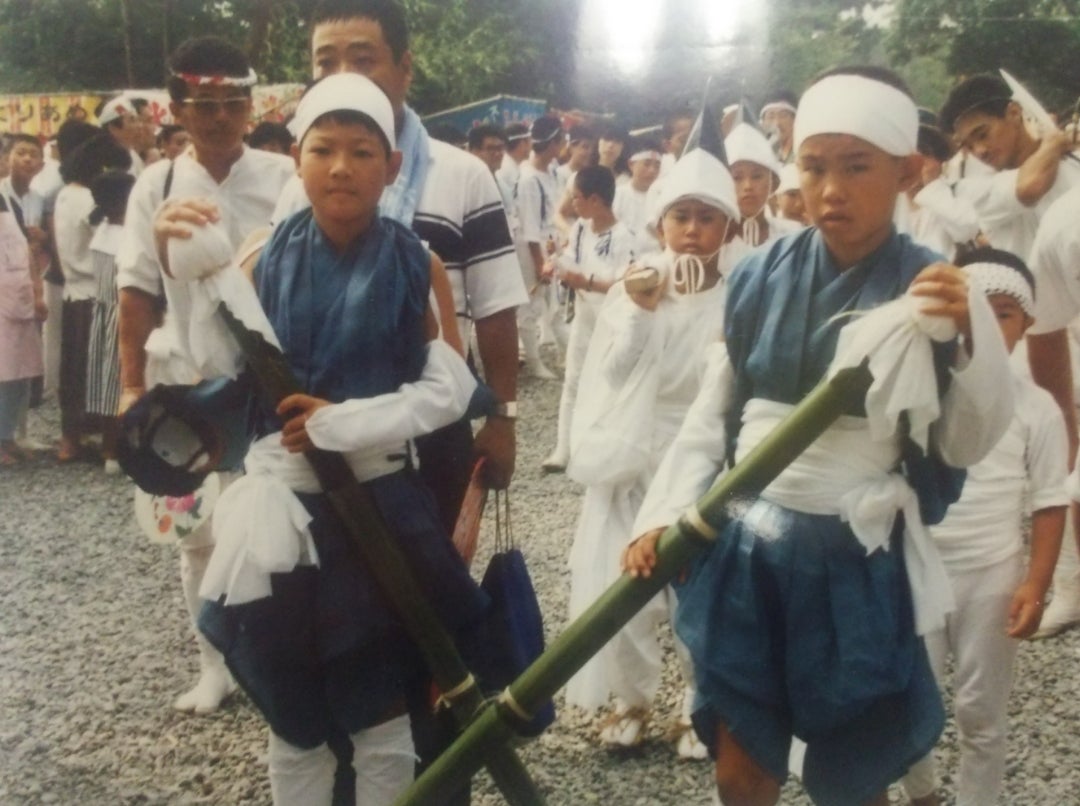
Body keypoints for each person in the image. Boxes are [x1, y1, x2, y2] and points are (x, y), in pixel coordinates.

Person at [625, 67, 1014, 806]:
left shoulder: (935, 285)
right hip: (750, 534)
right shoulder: (758, 276)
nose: (831, 189)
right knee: (742, 768)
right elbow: (717, 413)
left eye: (857, 167)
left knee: (854, 772)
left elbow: (965, 440)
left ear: (907, 171)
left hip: (855, 549)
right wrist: (662, 515)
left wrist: (970, 337)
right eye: (814, 166)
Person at [190, 71, 489, 806]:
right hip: (281, 515)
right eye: (324, 149)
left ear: (391, 165)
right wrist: (192, 273)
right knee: (291, 710)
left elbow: (447, 389)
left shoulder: (415, 261)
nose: (342, 167)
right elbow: (218, 366)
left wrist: (345, 422)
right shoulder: (261, 256)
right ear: (298, 158)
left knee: (379, 698)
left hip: (379, 507)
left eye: (362, 151)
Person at [276, 0, 526, 510]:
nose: (343, 76)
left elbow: (496, 307)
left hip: (431, 421)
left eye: (363, 59)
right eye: (326, 62)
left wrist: (502, 418)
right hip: (314, 427)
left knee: (425, 577)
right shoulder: (299, 187)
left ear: (405, 68)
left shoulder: (462, 174)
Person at [116, 35, 296, 716]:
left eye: (232, 103)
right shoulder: (155, 185)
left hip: (271, 381)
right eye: (205, 105)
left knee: (278, 523)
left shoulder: (283, 177)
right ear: (178, 109)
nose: (219, 117)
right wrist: (131, 387)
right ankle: (213, 665)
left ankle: (277, 656)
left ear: (250, 106)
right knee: (195, 537)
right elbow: (135, 293)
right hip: (188, 384)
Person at [566, 137, 741, 762]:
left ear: (728, 224)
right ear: (661, 221)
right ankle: (632, 700)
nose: (692, 231)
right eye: (681, 216)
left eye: (707, 218)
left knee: (700, 587)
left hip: (703, 458)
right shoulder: (634, 287)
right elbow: (610, 375)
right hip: (634, 452)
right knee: (628, 581)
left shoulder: (740, 293)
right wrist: (638, 311)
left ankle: (701, 707)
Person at [901, 248, 1068, 806]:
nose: (989, 326)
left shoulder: (1036, 407)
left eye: (1004, 313)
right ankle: (920, 793)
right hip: (921, 564)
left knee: (980, 707)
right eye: (976, 310)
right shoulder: (922, 390)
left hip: (991, 574)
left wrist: (1036, 584)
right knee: (911, 695)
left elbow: (1049, 501)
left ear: (1026, 324)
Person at [541, 166, 636, 473]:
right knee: (573, 379)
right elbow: (574, 260)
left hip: (610, 319)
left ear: (595, 200)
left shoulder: (624, 237)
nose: (573, 203)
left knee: (609, 382)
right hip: (583, 315)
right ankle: (563, 449)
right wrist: (555, 260)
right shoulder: (581, 227)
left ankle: (602, 449)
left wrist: (587, 282)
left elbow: (626, 285)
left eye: (577, 197)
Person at [54, 133, 131, 462]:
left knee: (73, 370)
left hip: (76, 291)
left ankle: (71, 438)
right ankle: (106, 441)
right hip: (95, 293)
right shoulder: (90, 203)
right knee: (99, 372)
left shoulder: (64, 195)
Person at [84, 170, 136, 474]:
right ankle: (119, 449)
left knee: (107, 385)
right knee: (122, 382)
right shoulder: (124, 236)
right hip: (122, 316)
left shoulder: (101, 230)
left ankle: (110, 449)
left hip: (103, 317)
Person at [518, 114, 569, 371]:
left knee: (556, 303)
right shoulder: (528, 179)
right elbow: (529, 228)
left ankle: (567, 355)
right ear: (553, 142)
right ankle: (535, 362)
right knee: (531, 304)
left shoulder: (553, 171)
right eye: (562, 140)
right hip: (533, 249)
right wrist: (539, 263)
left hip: (553, 245)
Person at [0, 193, 46, 465]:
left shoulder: (7, 201)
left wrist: (37, 290)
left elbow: (25, 249)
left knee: (17, 374)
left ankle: (6, 436)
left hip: (17, 298)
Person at [902, 124, 980, 261]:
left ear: (939, 162)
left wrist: (932, 187)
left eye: (923, 158)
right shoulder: (889, 202)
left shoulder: (948, 195)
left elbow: (968, 229)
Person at [723, 122, 802, 256]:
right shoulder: (714, 242)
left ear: (773, 183)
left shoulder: (793, 235)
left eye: (757, 176)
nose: (748, 186)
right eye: (737, 178)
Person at [612, 136, 662, 255]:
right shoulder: (617, 195)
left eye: (657, 166)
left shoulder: (662, 197)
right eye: (647, 164)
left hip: (654, 258)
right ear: (631, 164)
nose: (652, 170)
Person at [758, 90, 798, 165]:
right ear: (762, 123)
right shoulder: (763, 158)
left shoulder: (802, 154)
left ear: (795, 120)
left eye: (783, 115)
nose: (777, 123)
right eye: (771, 116)